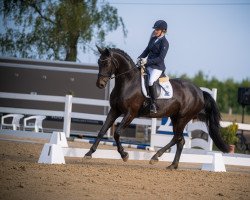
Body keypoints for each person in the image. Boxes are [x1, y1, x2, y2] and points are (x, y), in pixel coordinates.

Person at [137, 20, 169, 114]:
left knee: (151, 81)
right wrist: (140, 58)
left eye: (157, 29)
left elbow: (160, 58)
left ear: (163, 30)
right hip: (148, 65)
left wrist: (147, 61)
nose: (155, 31)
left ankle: (153, 104)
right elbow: (146, 50)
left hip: (157, 67)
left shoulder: (165, 43)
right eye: (155, 29)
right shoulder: (153, 39)